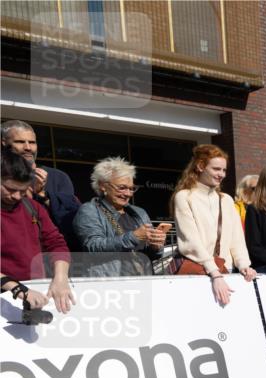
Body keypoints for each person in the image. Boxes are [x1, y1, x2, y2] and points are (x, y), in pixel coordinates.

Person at [171, 144, 256, 306]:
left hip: (226, 270)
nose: (221, 174)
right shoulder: (184, 197)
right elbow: (191, 242)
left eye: (224, 170)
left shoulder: (226, 200)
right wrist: (214, 273)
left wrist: (244, 265)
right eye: (216, 169)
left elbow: (236, 239)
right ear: (201, 166)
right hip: (199, 271)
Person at [0, 149, 74, 313]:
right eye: (11, 189)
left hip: (35, 293)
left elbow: (57, 243)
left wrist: (60, 278)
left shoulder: (32, 207)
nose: (17, 197)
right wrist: (17, 289)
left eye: (22, 190)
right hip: (7, 296)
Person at [72, 157, 168, 277]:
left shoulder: (139, 212)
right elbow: (93, 247)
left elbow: (151, 256)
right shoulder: (90, 210)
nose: (128, 194)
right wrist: (133, 237)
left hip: (143, 281)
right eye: (122, 188)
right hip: (110, 285)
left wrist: (156, 247)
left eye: (131, 188)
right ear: (103, 185)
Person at [1, 120, 80, 249]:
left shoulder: (58, 177)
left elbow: (70, 221)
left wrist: (43, 195)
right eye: (20, 142)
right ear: (3, 143)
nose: (28, 147)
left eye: (32, 142)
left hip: (54, 254)